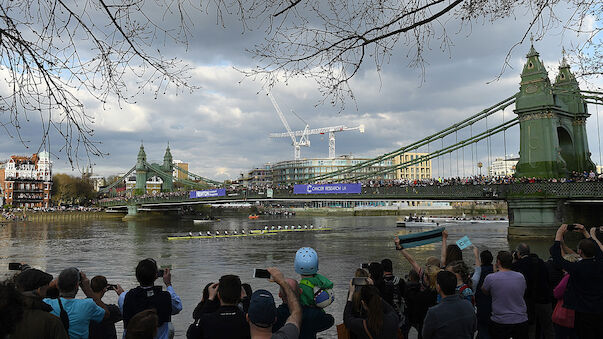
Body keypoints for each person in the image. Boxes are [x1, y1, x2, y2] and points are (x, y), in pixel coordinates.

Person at [550, 224, 603, 339]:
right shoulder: (600, 264)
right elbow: (598, 250)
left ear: (579, 252)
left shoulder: (576, 268)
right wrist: (585, 232)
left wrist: (559, 234)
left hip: (582, 311)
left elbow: (557, 258)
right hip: (599, 309)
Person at [119, 258, 182, 339]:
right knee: (170, 327)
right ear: (156, 276)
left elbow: (123, 306)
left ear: (137, 277)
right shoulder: (166, 297)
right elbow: (178, 307)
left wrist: (121, 294)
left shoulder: (125, 297)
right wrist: (168, 284)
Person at [43, 268, 108, 339]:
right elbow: (106, 314)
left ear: (58, 285)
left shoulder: (46, 304)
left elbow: (33, 293)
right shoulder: (87, 305)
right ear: (77, 286)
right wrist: (87, 288)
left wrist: (53, 283)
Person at [481, 251, 528, 339]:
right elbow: (523, 290)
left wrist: (495, 273)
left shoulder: (490, 278)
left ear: (498, 262)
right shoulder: (520, 277)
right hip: (520, 319)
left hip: (500, 321)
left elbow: (485, 291)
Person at [10, 268, 68, 339]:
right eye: (47, 285)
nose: (48, 287)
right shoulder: (52, 322)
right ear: (39, 290)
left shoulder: (6, 316)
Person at [512, 243, 554, 339]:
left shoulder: (518, 265)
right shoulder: (541, 262)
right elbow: (548, 279)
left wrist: (514, 260)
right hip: (545, 299)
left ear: (518, 253)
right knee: (548, 327)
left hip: (528, 301)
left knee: (531, 328)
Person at [247, 267, 302, 339]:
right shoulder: (288, 336)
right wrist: (282, 282)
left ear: (247, 318)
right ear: (275, 320)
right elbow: (296, 312)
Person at [422, 271, 476, 339]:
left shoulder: (433, 312)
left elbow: (425, 335)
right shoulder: (468, 305)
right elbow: (473, 329)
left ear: (438, 287)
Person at [194, 274, 250, 339]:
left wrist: (210, 299)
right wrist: (245, 299)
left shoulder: (207, 320)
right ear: (240, 295)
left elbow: (192, 333)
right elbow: (252, 316)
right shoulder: (247, 319)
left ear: (218, 295)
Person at [471, 247, 493, 339]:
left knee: (481, 328)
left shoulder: (478, 272)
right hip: (492, 303)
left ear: (482, 260)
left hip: (480, 302)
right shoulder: (495, 271)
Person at [381, 258, 405, 324]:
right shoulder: (400, 281)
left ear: (382, 269)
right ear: (391, 268)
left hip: (385, 316)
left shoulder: (380, 282)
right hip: (399, 315)